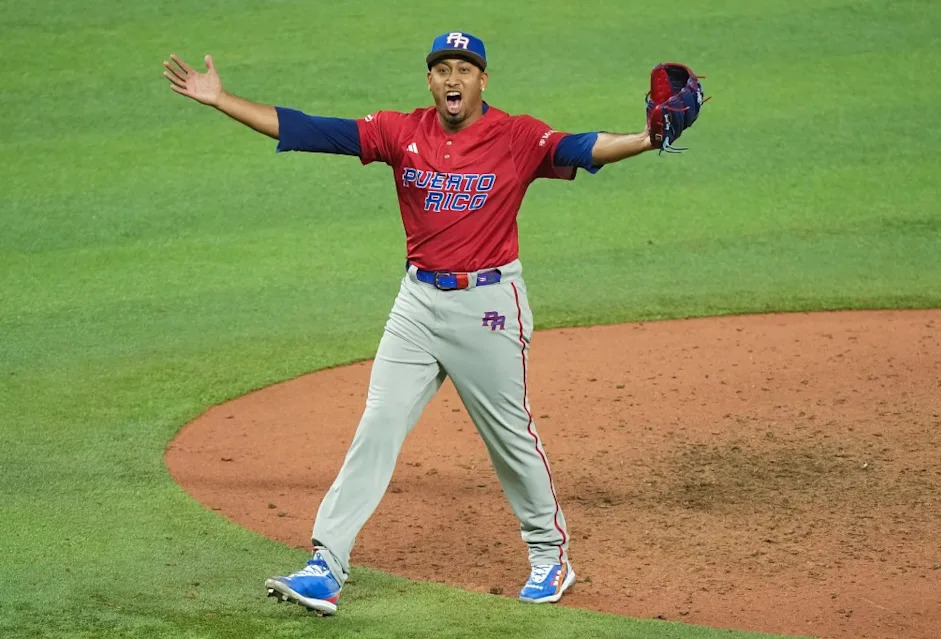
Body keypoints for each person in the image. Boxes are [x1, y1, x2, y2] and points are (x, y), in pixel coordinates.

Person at [163, 31, 656, 616]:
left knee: (509, 437)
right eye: (442, 69)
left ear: (483, 81)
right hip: (416, 305)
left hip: (490, 304)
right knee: (378, 424)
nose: (453, 79)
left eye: (465, 70)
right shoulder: (401, 131)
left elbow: (582, 147)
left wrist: (648, 139)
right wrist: (223, 99)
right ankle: (327, 562)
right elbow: (308, 129)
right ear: (429, 80)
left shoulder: (517, 136)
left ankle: (551, 557)